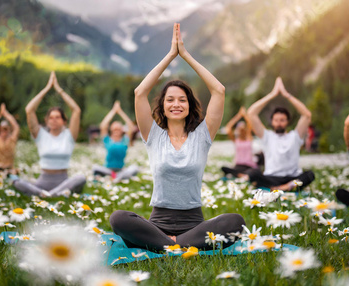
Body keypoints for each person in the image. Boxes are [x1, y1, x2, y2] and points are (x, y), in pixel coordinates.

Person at [109, 23, 245, 251]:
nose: (176, 104)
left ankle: (169, 245)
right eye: (170, 99)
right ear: (162, 106)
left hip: (194, 225)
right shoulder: (152, 135)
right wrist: (171, 55)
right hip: (157, 224)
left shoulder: (202, 136)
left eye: (182, 100)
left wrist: (186, 55)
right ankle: (177, 245)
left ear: (190, 106)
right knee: (118, 218)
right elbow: (139, 92)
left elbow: (219, 90)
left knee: (236, 222)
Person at [12, 71, 86, 197]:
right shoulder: (40, 135)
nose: (54, 120)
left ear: (64, 121)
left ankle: (47, 194)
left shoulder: (69, 136)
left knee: (81, 178)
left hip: (64, 181)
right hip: (42, 181)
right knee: (16, 181)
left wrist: (59, 89)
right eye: (51, 117)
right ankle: (47, 193)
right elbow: (29, 110)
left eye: (57, 117)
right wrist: (46, 89)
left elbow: (76, 110)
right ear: (46, 121)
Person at [243, 77, 315, 191]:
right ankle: (282, 188)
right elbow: (251, 113)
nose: (279, 123)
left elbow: (306, 115)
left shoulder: (295, 136)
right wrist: (272, 94)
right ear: (272, 122)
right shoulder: (266, 136)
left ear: (287, 122)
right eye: (276, 120)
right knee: (252, 173)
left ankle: (280, 188)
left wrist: (286, 95)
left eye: (282, 120)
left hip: (292, 177)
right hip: (272, 177)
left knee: (310, 175)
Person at [91, 100, 139, 183]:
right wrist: (113, 111)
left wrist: (120, 111)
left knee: (135, 168)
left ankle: (117, 177)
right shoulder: (107, 140)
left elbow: (131, 126)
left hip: (121, 170)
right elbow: (103, 125)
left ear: (122, 130)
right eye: (114, 129)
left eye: (118, 129)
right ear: (111, 130)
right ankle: (116, 177)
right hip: (108, 169)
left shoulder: (125, 140)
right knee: (95, 168)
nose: (116, 131)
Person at [221, 107, 257, 178]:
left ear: (245, 129)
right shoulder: (236, 140)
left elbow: (250, 124)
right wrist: (238, 115)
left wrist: (244, 115)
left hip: (249, 166)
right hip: (238, 166)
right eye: (240, 129)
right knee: (223, 168)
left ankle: (240, 175)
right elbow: (228, 127)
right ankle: (242, 175)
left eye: (243, 128)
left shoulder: (249, 138)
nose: (242, 130)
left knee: (255, 172)